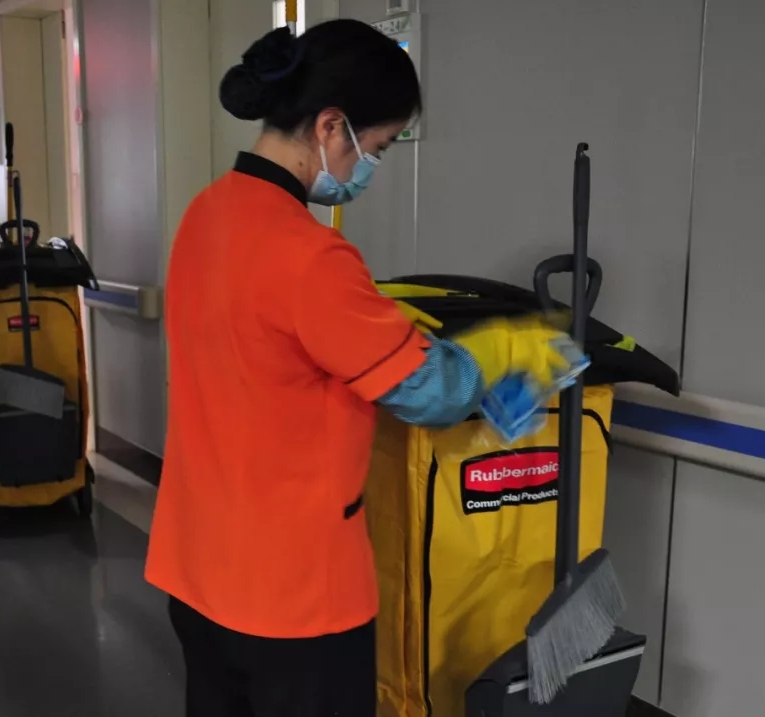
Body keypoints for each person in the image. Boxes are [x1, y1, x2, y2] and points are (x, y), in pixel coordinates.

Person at [145, 20, 576, 717]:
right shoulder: (310, 256)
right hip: (294, 599)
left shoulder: (207, 214)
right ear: (330, 126)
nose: (368, 167)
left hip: (197, 570)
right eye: (376, 147)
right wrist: (502, 349)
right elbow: (432, 393)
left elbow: (268, 351)